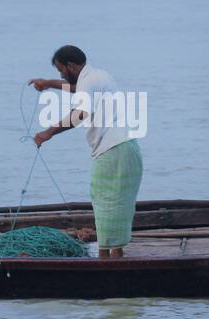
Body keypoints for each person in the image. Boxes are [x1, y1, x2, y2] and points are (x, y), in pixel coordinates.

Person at [30, 46, 143, 258]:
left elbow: (80, 113)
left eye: (60, 70)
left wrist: (49, 132)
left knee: (103, 201)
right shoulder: (100, 76)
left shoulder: (89, 82)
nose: (61, 75)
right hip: (128, 147)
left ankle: (104, 259)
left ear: (71, 65)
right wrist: (49, 84)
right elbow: (76, 88)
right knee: (118, 203)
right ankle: (115, 255)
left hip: (112, 150)